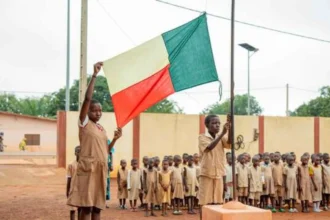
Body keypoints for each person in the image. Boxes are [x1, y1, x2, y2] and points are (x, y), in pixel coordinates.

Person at [67, 62, 122, 220]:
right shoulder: (84, 123)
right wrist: (95, 75)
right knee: (86, 208)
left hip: (101, 170)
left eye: (100, 110)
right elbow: (87, 98)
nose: (98, 113)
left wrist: (115, 140)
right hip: (88, 168)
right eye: (94, 110)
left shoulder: (101, 128)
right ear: (88, 111)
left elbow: (105, 150)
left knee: (97, 209)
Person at [198, 114, 231, 215]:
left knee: (217, 203)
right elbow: (209, 147)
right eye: (214, 123)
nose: (217, 125)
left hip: (218, 175)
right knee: (204, 203)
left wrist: (230, 127)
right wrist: (222, 134)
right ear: (207, 125)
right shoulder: (202, 137)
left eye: (218, 123)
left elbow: (230, 143)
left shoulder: (222, 137)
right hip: (207, 174)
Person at [66, 146, 81, 220]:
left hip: (82, 190)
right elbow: (69, 178)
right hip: (73, 190)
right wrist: (67, 191)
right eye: (78, 151)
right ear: (75, 153)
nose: (79, 153)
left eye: (81, 151)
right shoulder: (71, 165)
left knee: (80, 209)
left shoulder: (84, 165)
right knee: (72, 209)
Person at [106, 140, 114, 209]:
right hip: (100, 166)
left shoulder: (108, 141)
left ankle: (104, 202)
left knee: (106, 185)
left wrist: (111, 164)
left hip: (106, 168)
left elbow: (111, 154)